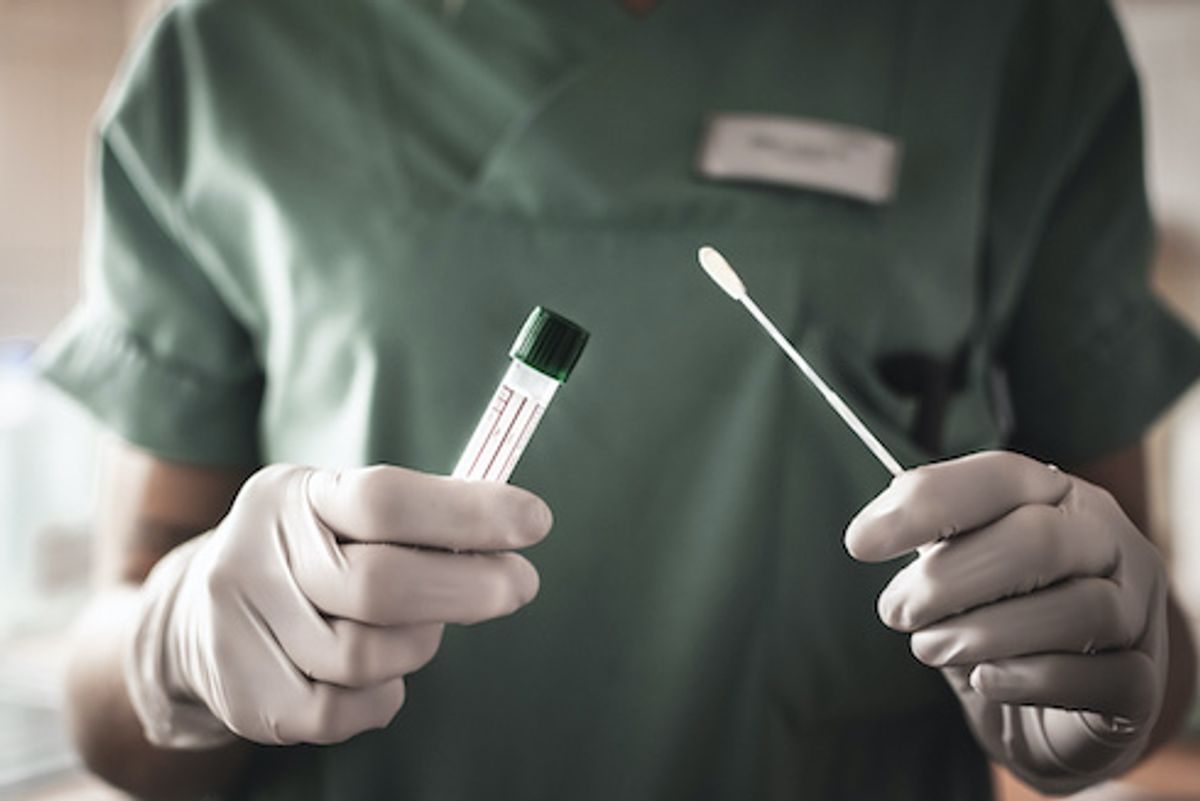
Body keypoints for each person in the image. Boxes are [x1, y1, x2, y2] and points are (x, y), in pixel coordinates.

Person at [36, 0, 1200, 798]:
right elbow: (113, 707)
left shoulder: (1007, 36)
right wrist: (172, 646)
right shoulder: (237, 45)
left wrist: (1115, 681)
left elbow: (1133, 598)